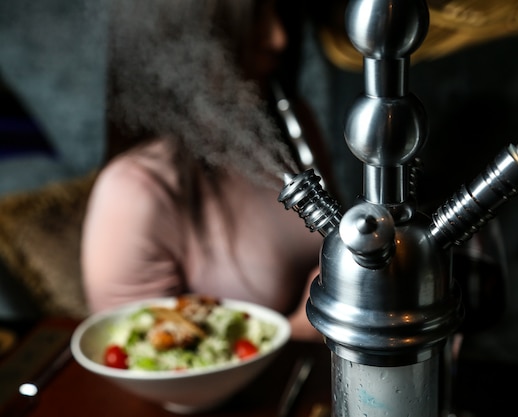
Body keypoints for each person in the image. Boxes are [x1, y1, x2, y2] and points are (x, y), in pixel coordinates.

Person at [81, 0, 334, 342]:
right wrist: (299, 330)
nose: (279, 39)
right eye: (257, 18)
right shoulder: (133, 191)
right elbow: (150, 366)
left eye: (281, 13)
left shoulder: (293, 127)